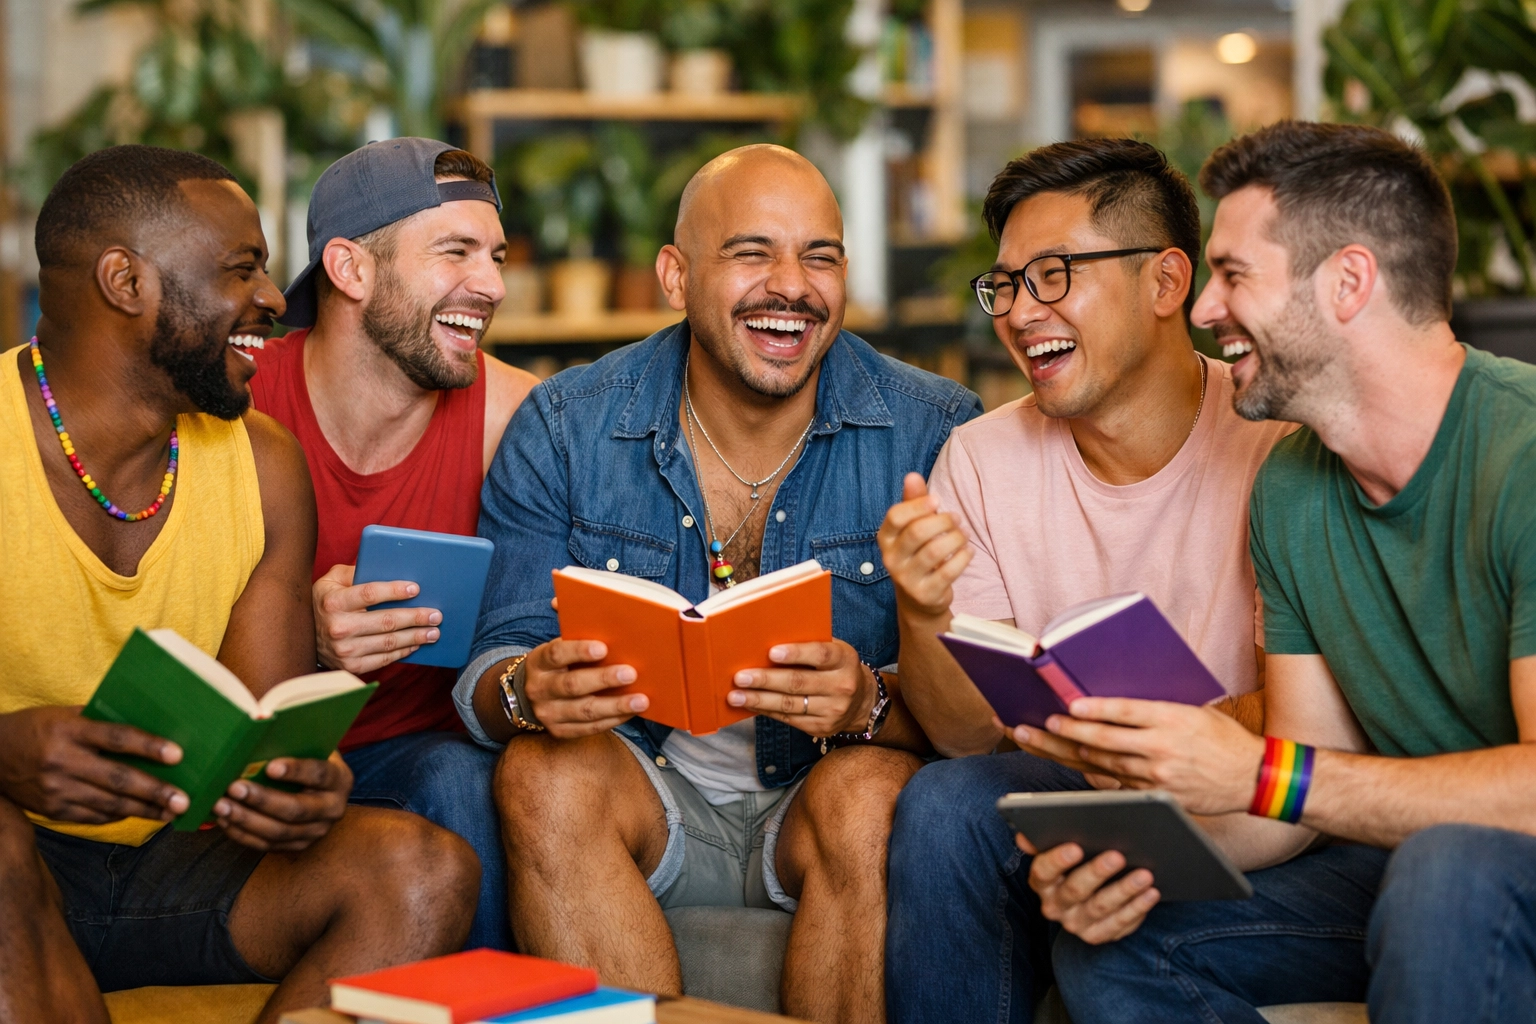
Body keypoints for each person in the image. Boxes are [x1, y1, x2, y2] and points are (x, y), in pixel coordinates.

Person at [1020, 121, 1536, 1022]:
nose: (1206, 307)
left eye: (1233, 274)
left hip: (1472, 868)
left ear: (1347, 282)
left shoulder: (1521, 456)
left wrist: (1265, 773)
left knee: (1445, 867)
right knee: (1114, 950)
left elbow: (1294, 781)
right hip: (1410, 863)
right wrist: (1126, 866)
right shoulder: (1294, 490)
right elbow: (1302, 785)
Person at [453, 144, 980, 1023]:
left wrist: (869, 703)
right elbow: (485, 675)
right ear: (675, 274)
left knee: (872, 792)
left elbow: (983, 722)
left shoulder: (936, 431)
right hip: (647, 793)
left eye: (821, 255)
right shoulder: (569, 424)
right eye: (751, 253)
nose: (793, 285)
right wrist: (528, 688)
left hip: (820, 798)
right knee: (543, 771)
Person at [0, 145, 478, 1024]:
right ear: (124, 281)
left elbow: (268, 721)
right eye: (241, 269)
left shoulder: (261, 463)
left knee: (423, 870)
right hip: (17, 856)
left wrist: (302, 784)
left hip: (171, 859)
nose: (271, 300)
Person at [876, 138, 1293, 1024]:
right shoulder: (979, 459)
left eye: (1054, 274)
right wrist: (921, 608)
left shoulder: (1275, 445)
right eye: (1006, 285)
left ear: (1166, 284)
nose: (1022, 312)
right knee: (945, 803)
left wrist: (1149, 767)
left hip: (1268, 817)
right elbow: (958, 737)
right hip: (1085, 798)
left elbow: (1308, 720)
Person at [249, 138, 536, 951]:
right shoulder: (240, 408)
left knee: (457, 775)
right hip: (260, 761)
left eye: (497, 255)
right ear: (350, 268)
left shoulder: (516, 416)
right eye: (456, 252)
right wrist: (300, 641)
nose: (492, 286)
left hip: (420, 764)